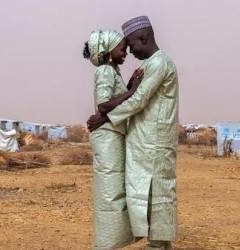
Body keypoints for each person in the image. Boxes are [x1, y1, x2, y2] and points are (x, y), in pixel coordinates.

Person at [87, 16, 179, 250]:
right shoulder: (147, 65)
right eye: (124, 47)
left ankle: (158, 244)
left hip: (156, 141)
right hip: (143, 141)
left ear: (144, 38)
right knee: (145, 194)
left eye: (131, 45)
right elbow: (126, 95)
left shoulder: (160, 63)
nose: (129, 51)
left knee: (159, 192)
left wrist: (105, 116)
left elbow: (138, 99)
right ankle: (157, 242)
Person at [83, 29, 143, 249]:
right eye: (121, 48)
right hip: (107, 137)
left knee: (115, 190)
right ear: (108, 51)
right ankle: (108, 244)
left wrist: (127, 87)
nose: (125, 52)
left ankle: (114, 242)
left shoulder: (112, 71)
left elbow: (108, 105)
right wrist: (134, 90)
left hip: (112, 134)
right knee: (110, 193)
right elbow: (104, 105)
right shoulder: (105, 71)